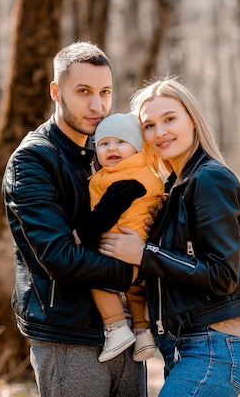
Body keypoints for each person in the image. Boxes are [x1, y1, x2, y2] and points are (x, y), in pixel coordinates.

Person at [98, 77, 240, 397]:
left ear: (192, 119)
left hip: (214, 345)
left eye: (170, 119)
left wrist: (145, 254)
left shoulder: (210, 180)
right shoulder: (173, 189)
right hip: (184, 346)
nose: (160, 132)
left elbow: (223, 275)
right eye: (149, 125)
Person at [2, 42, 146, 397]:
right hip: (68, 336)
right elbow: (60, 258)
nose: (97, 105)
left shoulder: (107, 153)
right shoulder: (34, 161)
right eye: (83, 92)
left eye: (105, 92)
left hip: (126, 328)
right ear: (56, 91)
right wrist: (139, 270)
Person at [73, 112, 164, 363]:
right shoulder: (143, 172)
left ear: (137, 147)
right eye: (103, 143)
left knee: (96, 279)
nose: (111, 148)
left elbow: (107, 212)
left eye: (120, 142)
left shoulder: (127, 178)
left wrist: (83, 234)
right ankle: (143, 334)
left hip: (121, 248)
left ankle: (116, 328)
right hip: (140, 250)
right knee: (136, 293)